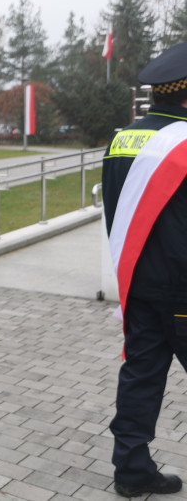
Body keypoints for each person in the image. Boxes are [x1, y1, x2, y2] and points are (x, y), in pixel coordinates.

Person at [102, 41, 187, 498]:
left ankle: (132, 471)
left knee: (141, 377)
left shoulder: (122, 139)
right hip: (183, 285)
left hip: (137, 282)